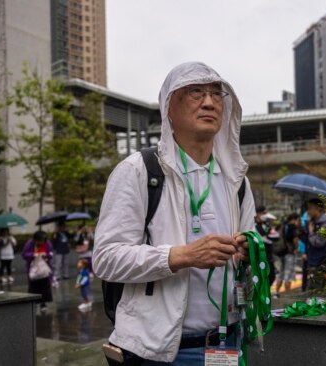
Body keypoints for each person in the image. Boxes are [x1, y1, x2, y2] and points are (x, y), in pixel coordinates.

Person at [93, 62, 255, 365]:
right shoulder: (139, 171)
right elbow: (106, 258)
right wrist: (180, 256)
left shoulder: (237, 181)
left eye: (216, 94)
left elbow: (246, 255)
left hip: (227, 343)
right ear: (170, 106)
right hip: (159, 353)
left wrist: (248, 250)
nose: (209, 102)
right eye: (196, 92)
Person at [22, 231, 54, 314]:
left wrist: (46, 255)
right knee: (33, 287)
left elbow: (50, 253)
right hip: (33, 269)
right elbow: (24, 254)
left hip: (44, 269)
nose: (41, 242)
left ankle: (43, 304)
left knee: (44, 286)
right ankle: (34, 303)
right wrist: (33, 255)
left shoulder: (47, 243)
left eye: (42, 240)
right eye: (39, 240)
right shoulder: (30, 243)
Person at [305, 198, 326, 291]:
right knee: (312, 290)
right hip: (313, 260)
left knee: (316, 290)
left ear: (318, 209)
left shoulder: (324, 224)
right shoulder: (313, 223)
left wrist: (311, 233)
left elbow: (320, 242)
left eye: (310, 208)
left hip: (320, 261)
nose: (308, 211)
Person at [274, 213, 300, 298]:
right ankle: (287, 295)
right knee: (288, 275)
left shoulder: (282, 225)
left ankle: (276, 293)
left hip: (281, 252)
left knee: (281, 273)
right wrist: (296, 248)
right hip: (289, 252)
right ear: (295, 219)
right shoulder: (293, 227)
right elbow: (295, 239)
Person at [255, 205, 276, 287]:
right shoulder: (253, 224)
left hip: (268, 255)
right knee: (262, 277)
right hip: (259, 256)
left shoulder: (266, 224)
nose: (266, 215)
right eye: (264, 213)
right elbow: (262, 237)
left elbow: (275, 236)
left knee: (271, 276)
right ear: (258, 214)